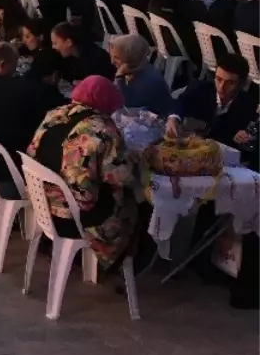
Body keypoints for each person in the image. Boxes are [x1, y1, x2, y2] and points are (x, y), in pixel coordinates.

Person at [27, 75, 139, 269]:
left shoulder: (55, 114)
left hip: (42, 203)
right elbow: (120, 177)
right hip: (76, 218)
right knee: (135, 203)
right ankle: (121, 263)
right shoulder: (104, 129)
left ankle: (57, 247)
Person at [109, 34, 175, 116]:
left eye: (117, 58)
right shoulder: (131, 71)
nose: (112, 62)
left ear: (132, 57)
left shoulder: (150, 79)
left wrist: (119, 78)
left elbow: (127, 108)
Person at [50, 21, 115, 82]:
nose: (53, 47)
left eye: (55, 43)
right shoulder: (72, 58)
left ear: (69, 42)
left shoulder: (97, 60)